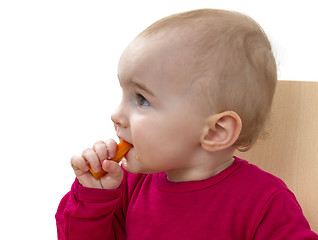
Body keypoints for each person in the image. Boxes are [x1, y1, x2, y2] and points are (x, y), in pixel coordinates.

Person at [56, 9, 318, 239]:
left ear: (216, 131)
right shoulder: (125, 186)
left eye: (142, 100)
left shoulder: (265, 202)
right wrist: (93, 197)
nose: (116, 114)